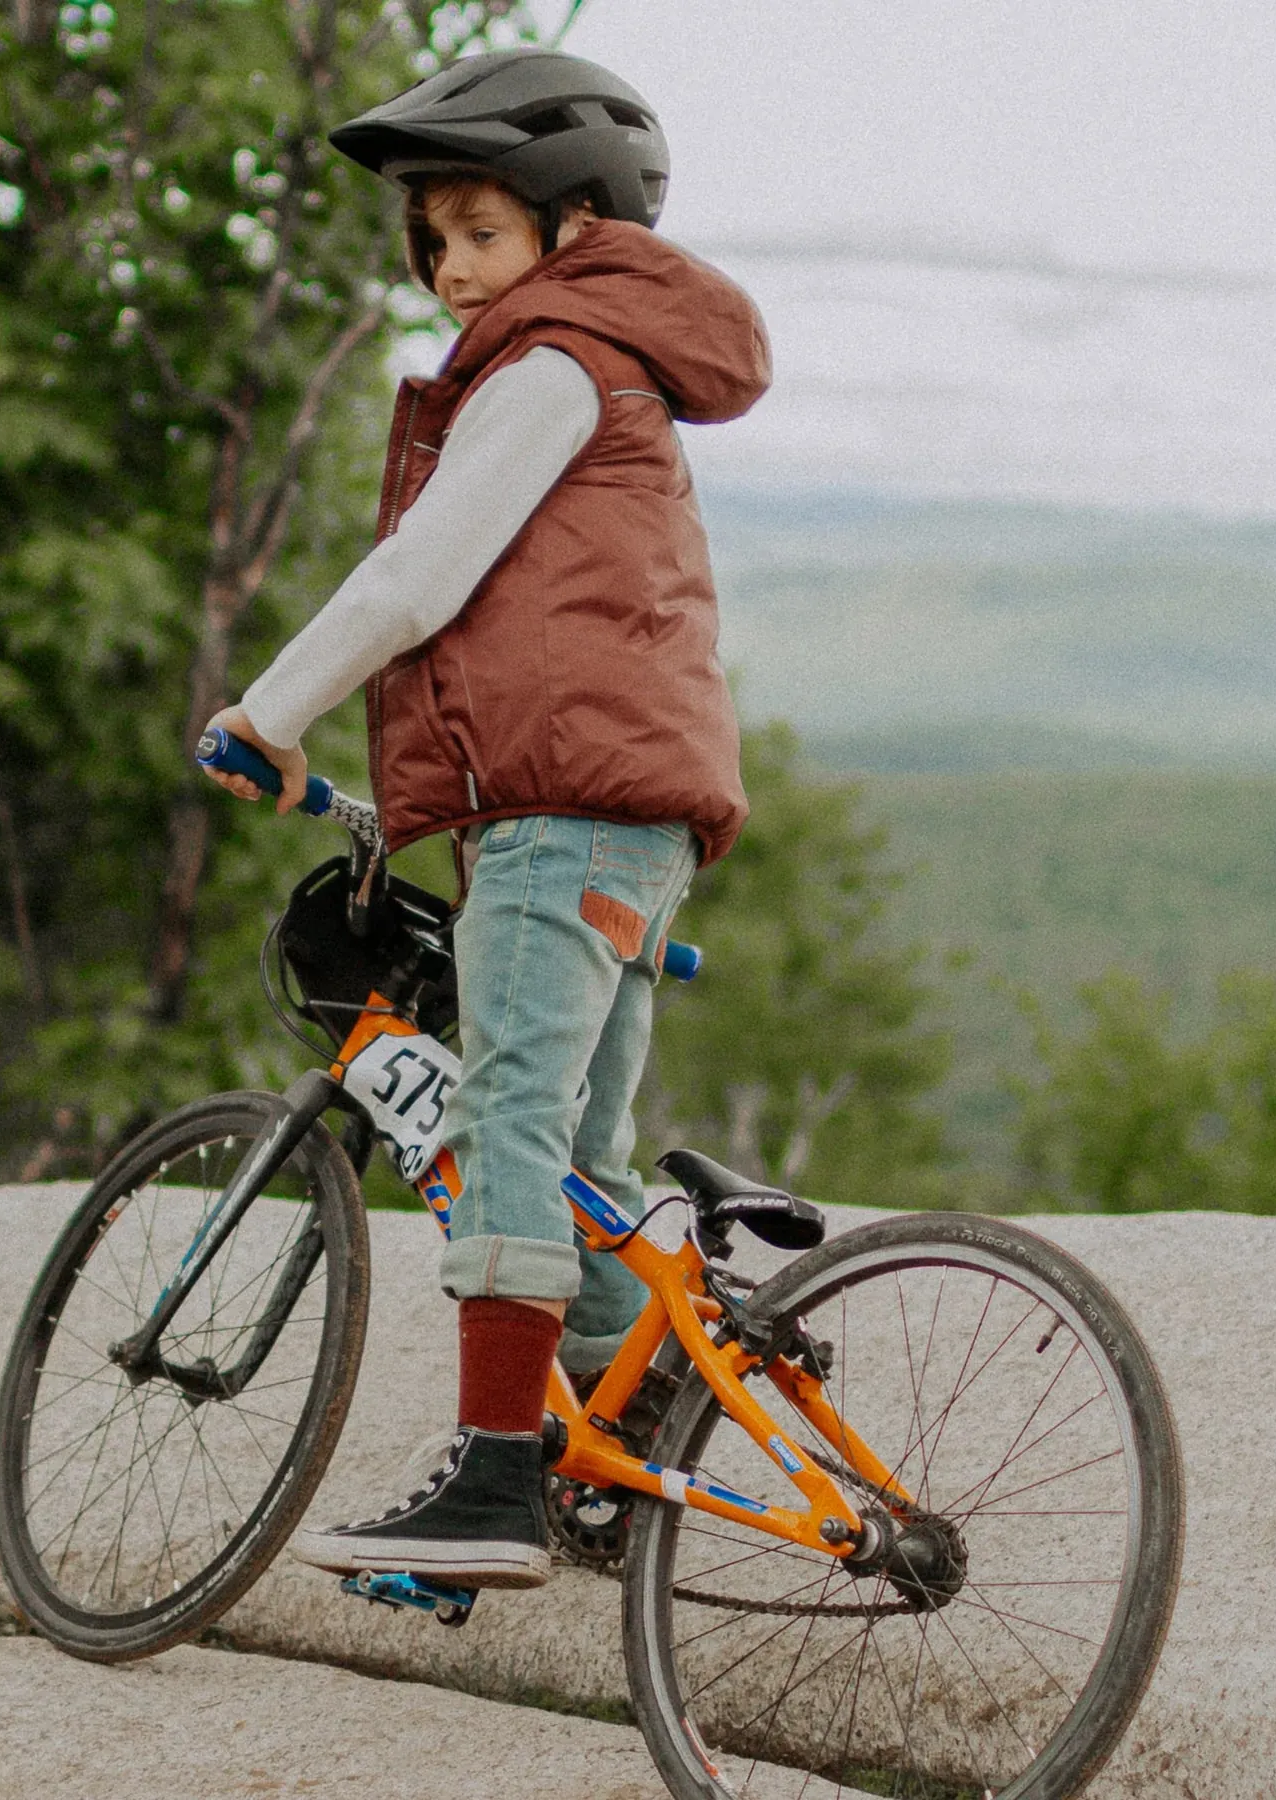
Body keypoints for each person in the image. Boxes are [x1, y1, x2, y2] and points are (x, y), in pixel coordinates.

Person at [200, 48, 770, 1589]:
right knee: (587, 1147)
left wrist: (270, 712)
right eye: (434, 240)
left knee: (503, 1120)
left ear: (575, 229)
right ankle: (618, 1447)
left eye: (480, 233)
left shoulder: (553, 365)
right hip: (632, 827)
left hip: (566, 821)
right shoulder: (609, 365)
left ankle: (496, 1480)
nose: (452, 269)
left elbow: (414, 581)